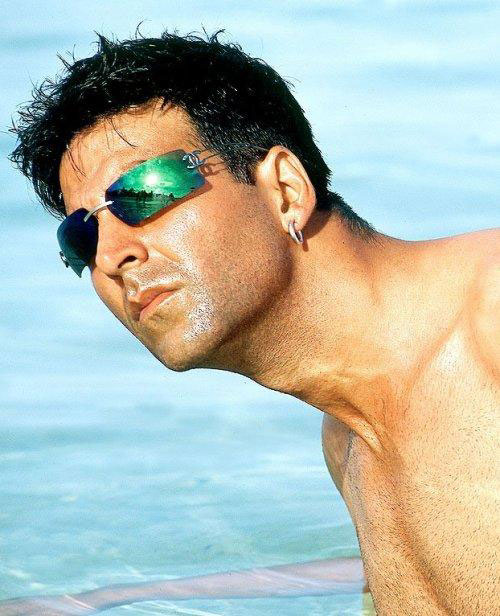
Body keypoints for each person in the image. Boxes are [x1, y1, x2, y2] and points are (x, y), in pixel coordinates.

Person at [4, 27, 498, 616]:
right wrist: (117, 597)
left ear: (285, 189)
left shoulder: (489, 314)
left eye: (142, 192)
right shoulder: (348, 441)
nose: (110, 257)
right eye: (81, 236)